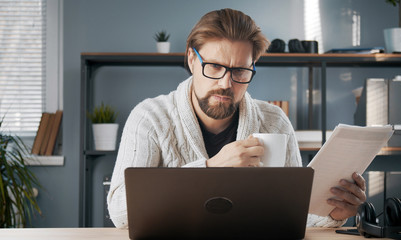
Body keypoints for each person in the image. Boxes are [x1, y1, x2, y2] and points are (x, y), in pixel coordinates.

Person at [107, 8, 366, 229]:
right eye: (215, 67)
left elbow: (293, 215)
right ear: (191, 59)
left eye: (240, 71)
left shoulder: (274, 121)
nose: (225, 83)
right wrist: (210, 169)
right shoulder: (149, 118)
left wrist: (333, 213)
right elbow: (119, 213)